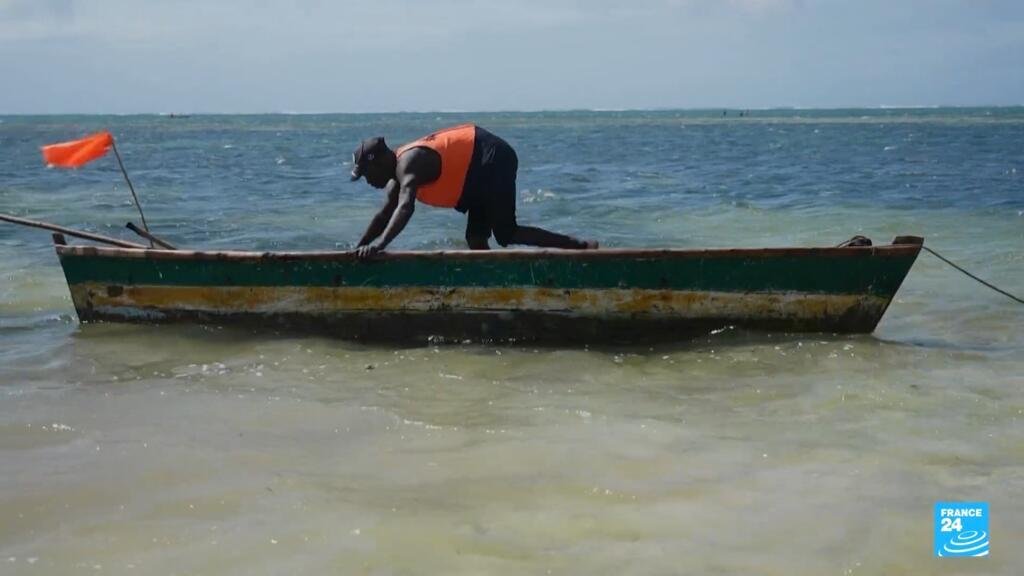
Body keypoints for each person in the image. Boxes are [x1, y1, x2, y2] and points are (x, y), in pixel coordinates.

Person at [348, 124, 597, 257]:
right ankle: (492, 285)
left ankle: (580, 247)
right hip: (474, 175)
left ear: (380, 162)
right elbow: (382, 216)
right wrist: (356, 249)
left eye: (367, 174)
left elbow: (406, 207)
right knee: (476, 239)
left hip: (492, 157)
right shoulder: (395, 178)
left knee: (506, 233)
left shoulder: (409, 164)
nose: (368, 181)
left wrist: (379, 245)